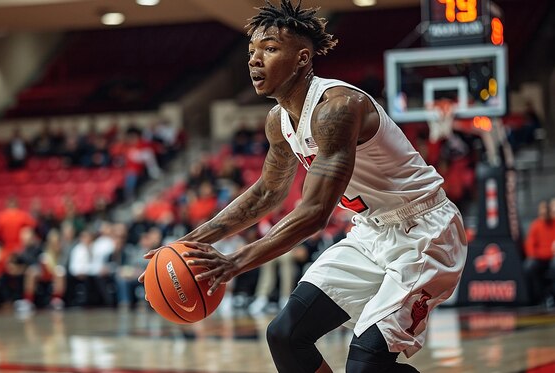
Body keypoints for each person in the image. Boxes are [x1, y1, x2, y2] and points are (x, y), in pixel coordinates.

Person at [140, 1, 467, 372]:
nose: (254, 60)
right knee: (285, 335)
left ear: (302, 59)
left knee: (366, 363)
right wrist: (188, 244)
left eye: (270, 49)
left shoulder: (338, 107)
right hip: (370, 234)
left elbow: (314, 214)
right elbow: (267, 192)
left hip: (423, 233)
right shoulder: (279, 120)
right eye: (251, 51)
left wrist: (235, 263)